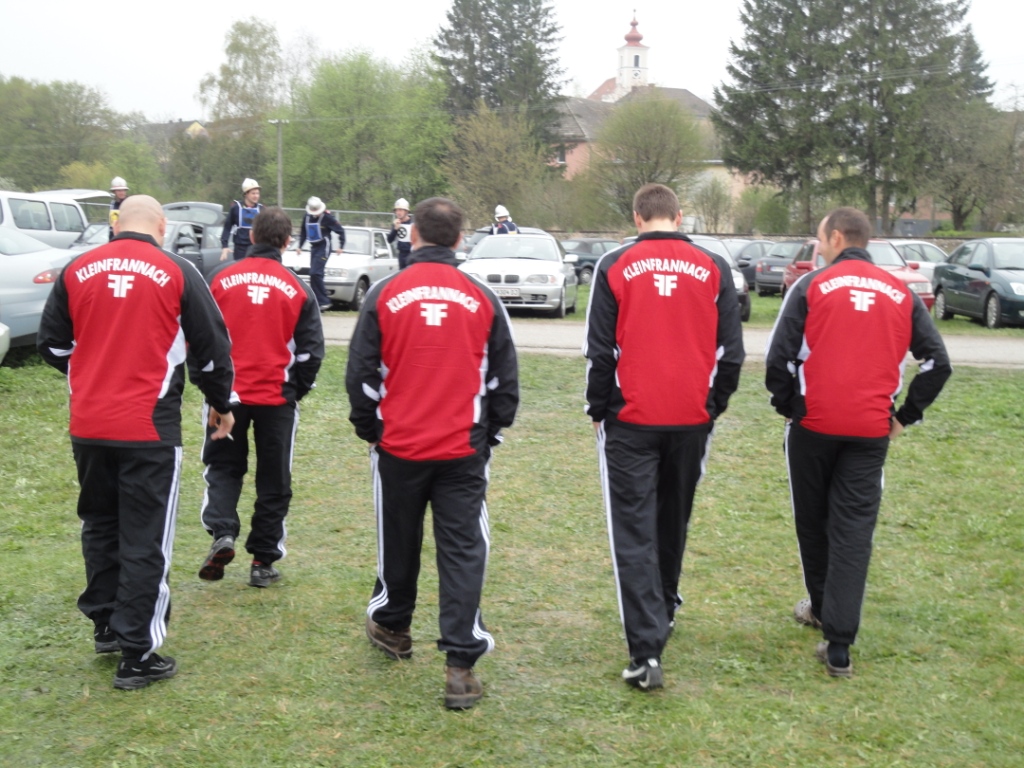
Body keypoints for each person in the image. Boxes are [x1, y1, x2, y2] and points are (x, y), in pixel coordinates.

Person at [37, 195, 236, 690]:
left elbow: (52, 344)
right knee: (146, 536)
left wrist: (92, 375)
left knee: (101, 524)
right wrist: (221, 401)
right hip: (148, 428)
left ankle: (106, 624)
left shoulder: (77, 268)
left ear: (115, 224)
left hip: (89, 424)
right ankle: (137, 652)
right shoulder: (177, 270)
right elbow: (211, 346)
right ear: (161, 225)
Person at [345, 197, 519, 710]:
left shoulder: (384, 293)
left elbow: (360, 374)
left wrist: (371, 429)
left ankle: (394, 625)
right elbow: (505, 382)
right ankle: (459, 666)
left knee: (398, 538)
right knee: (463, 548)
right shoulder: (482, 297)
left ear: (413, 234)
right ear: (460, 240)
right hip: (461, 448)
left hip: (401, 446)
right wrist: (488, 434)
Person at [765, 207, 951, 677]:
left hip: (813, 426)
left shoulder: (811, 285)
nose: (817, 244)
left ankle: (822, 608)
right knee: (853, 531)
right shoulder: (901, 292)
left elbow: (777, 359)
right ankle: (839, 645)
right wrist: (903, 417)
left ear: (836, 237)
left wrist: (789, 406)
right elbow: (937, 363)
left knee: (813, 521)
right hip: (870, 431)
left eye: (819, 237)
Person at [584, 183, 744, 691]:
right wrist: (712, 406)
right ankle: (664, 608)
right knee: (673, 518)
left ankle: (647, 650)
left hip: (631, 419)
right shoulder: (714, 266)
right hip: (690, 419)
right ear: (678, 216)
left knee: (634, 530)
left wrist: (597, 407)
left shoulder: (614, 264)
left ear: (637, 217)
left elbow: (600, 350)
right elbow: (732, 353)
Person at [196, 206, 325, 588]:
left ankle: (223, 532)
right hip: (276, 400)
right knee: (274, 478)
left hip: (226, 397)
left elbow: (198, 339)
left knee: (223, 467)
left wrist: (210, 390)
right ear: (287, 242)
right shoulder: (297, 287)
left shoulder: (219, 277)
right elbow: (311, 352)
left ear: (251, 236)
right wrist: (295, 390)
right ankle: (262, 560)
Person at [299, 196, 346, 310]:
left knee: (316, 273)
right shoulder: (307, 217)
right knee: (313, 274)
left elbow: (340, 231)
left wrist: (341, 246)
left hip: (324, 247)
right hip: (314, 247)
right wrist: (300, 246)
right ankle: (317, 301)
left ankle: (324, 301)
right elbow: (303, 232)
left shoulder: (327, 218)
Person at [220, 179, 265, 262]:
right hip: (240, 248)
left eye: (257, 193)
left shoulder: (262, 209)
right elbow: (227, 227)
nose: (256, 196)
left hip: (256, 248)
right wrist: (224, 246)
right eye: (253, 193)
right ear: (246, 194)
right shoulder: (236, 208)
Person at [387, 198, 414, 269]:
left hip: (412, 254)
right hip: (401, 255)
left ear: (406, 211)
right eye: (397, 210)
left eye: (400, 210)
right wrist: (395, 229)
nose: (398, 212)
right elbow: (389, 240)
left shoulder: (413, 223)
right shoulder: (396, 223)